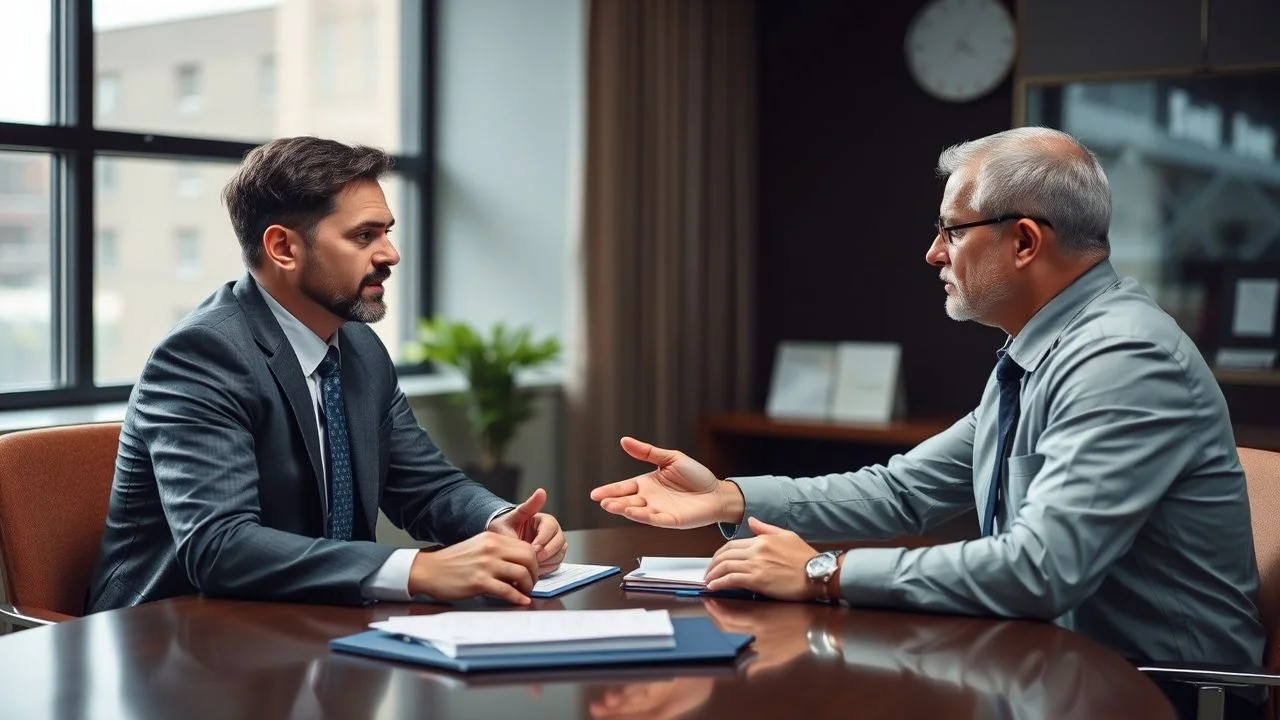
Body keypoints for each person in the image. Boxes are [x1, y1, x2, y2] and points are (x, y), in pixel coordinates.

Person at [591, 127, 1266, 718]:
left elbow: (1039, 569)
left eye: (951, 230)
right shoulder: (1043, 351)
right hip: (1056, 670)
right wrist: (729, 496)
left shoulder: (1123, 356)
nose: (934, 254)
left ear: (1025, 241)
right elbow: (902, 489)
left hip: (1164, 694)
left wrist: (823, 572)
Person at [87, 136, 565, 613]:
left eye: (387, 233)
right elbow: (220, 547)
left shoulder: (358, 347)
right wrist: (416, 570)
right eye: (364, 236)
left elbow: (427, 487)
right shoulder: (203, 355)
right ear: (283, 248)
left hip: (311, 624)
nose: (390, 254)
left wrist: (498, 520)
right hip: (173, 640)